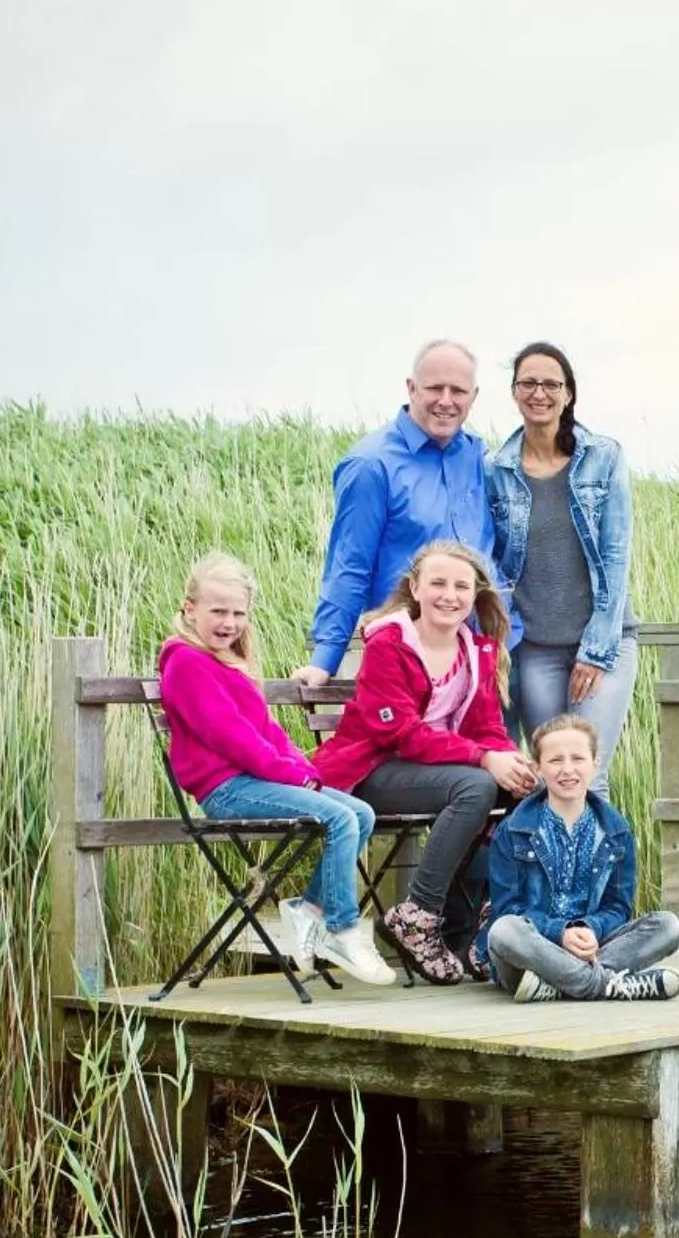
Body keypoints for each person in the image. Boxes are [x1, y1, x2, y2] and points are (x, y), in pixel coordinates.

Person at [156, 552, 397, 985]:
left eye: (238, 613)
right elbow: (231, 736)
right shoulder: (186, 663)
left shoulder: (228, 662)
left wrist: (302, 767)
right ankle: (342, 929)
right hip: (225, 789)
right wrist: (296, 777)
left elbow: (266, 730)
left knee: (360, 813)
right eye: (218, 611)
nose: (228, 623)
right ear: (190, 610)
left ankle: (308, 911)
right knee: (339, 817)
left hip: (254, 780)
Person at [313, 540, 536, 983]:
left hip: (437, 773)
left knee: (522, 788)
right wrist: (482, 758)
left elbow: (487, 727)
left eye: (461, 587)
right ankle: (418, 915)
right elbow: (400, 732)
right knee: (475, 786)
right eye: (437, 583)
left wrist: (510, 759)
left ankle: (474, 930)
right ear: (415, 588)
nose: (449, 595)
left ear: (475, 596)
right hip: (371, 770)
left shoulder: (477, 651)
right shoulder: (388, 645)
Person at [293, 339, 497, 686]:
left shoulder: (479, 458)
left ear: (473, 396)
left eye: (458, 391)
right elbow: (349, 565)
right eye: (435, 388)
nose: (446, 401)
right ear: (411, 388)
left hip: (470, 657)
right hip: (395, 658)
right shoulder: (372, 465)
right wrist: (325, 659)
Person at [486, 340, 639, 792]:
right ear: (514, 392)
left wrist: (594, 649)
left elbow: (615, 556)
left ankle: (595, 867)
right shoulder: (496, 469)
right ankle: (549, 865)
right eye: (528, 383)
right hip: (535, 648)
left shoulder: (603, 458)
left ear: (568, 393)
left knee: (586, 773)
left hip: (605, 643)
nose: (539, 393)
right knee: (550, 773)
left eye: (551, 384)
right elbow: (493, 562)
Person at [478, 714, 679, 1003]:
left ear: (595, 763)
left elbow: (617, 908)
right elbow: (508, 908)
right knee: (502, 931)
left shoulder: (616, 832)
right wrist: (560, 933)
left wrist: (589, 929)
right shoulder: (513, 831)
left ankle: (560, 986)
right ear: (538, 767)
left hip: (591, 948)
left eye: (578, 758)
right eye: (555, 760)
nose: (567, 770)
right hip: (534, 952)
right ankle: (605, 985)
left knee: (668, 926)